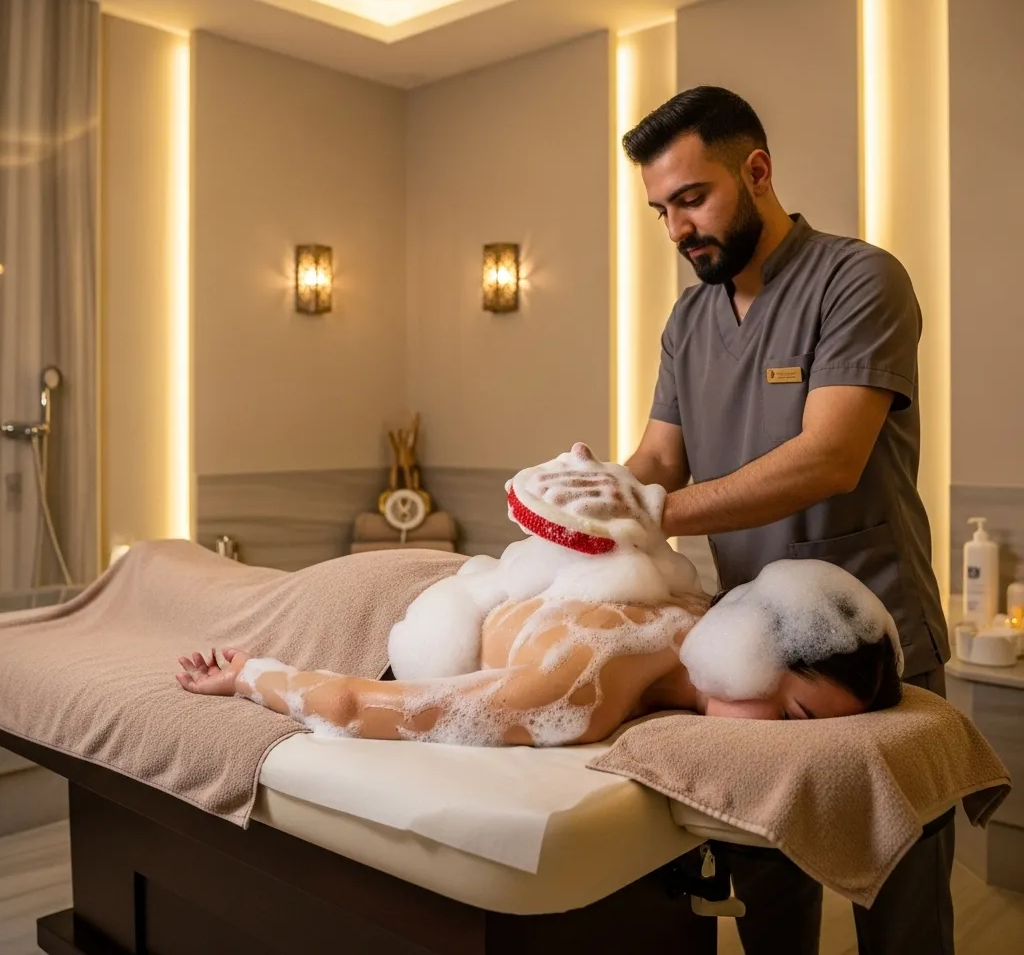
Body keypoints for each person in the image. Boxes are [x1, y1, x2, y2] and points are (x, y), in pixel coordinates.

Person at [620, 86, 952, 955]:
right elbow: (659, 460)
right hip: (753, 657)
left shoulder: (859, 279)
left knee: (903, 912)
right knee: (769, 899)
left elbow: (828, 457)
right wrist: (591, 502)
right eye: (662, 211)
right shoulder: (690, 319)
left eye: (693, 198)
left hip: (876, 641)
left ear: (757, 172)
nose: (677, 229)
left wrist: (654, 512)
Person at [176, 445, 904, 743]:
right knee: (187, 586)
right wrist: (248, 675)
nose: (786, 736)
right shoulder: (588, 682)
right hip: (382, 604)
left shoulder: (693, 605)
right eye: (795, 713)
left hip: (461, 584)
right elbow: (350, 704)